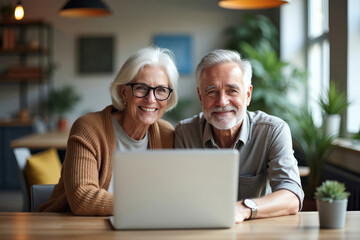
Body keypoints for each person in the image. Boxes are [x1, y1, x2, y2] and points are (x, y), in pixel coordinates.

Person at [39, 47, 179, 215]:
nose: (151, 99)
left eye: (161, 90)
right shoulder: (88, 128)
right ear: (124, 92)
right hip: (69, 225)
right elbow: (82, 199)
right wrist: (147, 205)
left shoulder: (166, 134)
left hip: (136, 225)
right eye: (141, 88)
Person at [174, 49, 304, 223]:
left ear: (248, 95)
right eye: (212, 91)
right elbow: (179, 198)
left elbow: (291, 198)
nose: (222, 101)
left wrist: (245, 208)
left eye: (232, 91)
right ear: (200, 97)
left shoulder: (272, 130)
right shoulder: (185, 133)